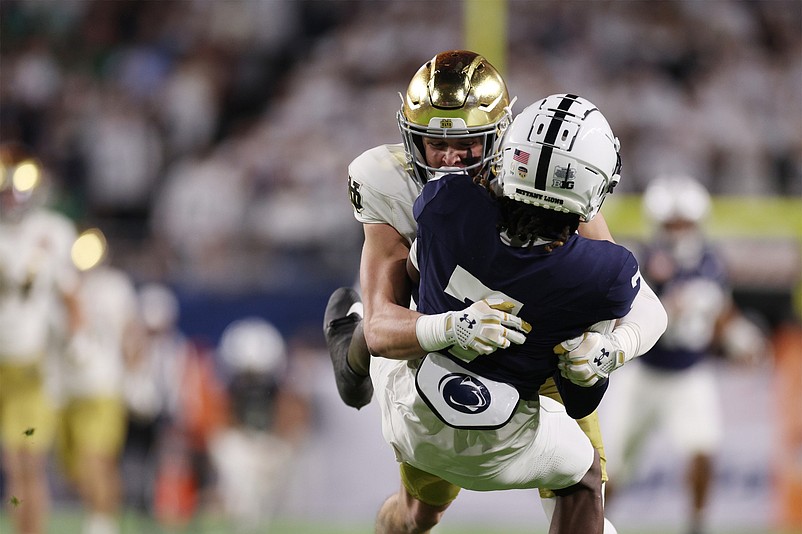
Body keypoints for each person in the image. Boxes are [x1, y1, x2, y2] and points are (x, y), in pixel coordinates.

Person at [324, 50, 636, 531]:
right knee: (418, 515)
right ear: (412, 140)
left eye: (466, 144)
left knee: (586, 487)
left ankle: (354, 340)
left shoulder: (536, 171)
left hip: (535, 342)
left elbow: (608, 290)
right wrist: (448, 326)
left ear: (500, 140)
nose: (449, 159)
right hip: (440, 339)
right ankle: (352, 352)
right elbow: (389, 317)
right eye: (435, 144)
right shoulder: (389, 180)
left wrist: (600, 350)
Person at [603, 174, 766, 534]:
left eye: (685, 223)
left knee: (703, 449)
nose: (678, 230)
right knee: (611, 468)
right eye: (671, 223)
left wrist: (742, 338)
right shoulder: (642, 258)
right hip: (643, 373)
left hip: (689, 373)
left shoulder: (712, 261)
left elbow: (720, 309)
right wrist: (664, 308)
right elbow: (622, 311)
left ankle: (697, 526)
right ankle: (593, 525)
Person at [0, 142, 79, 534]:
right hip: (4, 363)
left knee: (29, 461)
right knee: (13, 463)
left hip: (34, 363)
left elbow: (70, 293)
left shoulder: (51, 231)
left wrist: (75, 338)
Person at [56, 227, 140, 534]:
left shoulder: (116, 286)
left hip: (103, 386)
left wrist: (135, 376)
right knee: (76, 470)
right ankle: (104, 518)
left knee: (97, 458)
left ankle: (102, 525)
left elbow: (132, 333)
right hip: (68, 389)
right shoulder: (64, 283)